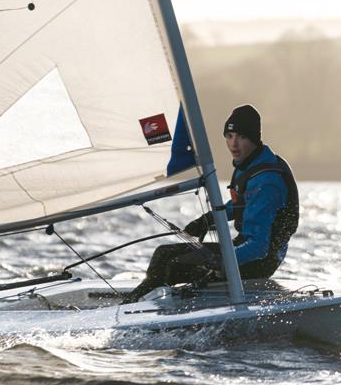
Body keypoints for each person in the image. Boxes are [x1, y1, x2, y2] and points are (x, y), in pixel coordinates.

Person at [123, 104, 299, 302]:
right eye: (229, 136)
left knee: (173, 264)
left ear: (254, 139)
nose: (234, 144)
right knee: (163, 254)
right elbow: (241, 204)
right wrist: (207, 219)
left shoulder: (266, 181)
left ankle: (139, 307)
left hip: (258, 261)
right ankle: (140, 300)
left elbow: (259, 247)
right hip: (242, 250)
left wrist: (222, 261)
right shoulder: (251, 165)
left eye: (242, 137)